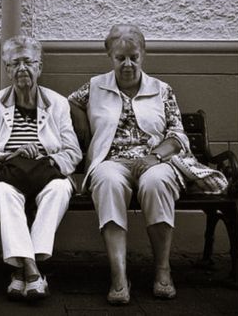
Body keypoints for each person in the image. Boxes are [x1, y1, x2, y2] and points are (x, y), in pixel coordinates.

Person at [68, 24, 188, 304]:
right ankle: (119, 275)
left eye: (134, 56)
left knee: (157, 181)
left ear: (143, 55)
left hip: (153, 160)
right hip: (111, 160)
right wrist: (82, 118)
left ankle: (162, 270)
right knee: (107, 181)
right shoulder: (96, 86)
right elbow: (70, 103)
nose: (128, 64)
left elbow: (178, 134)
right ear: (110, 57)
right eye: (120, 58)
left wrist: (155, 156)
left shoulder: (161, 90)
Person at [0, 35, 81, 301]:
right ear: (7, 69)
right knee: (3, 193)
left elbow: (73, 152)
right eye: (15, 63)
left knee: (59, 189)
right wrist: (13, 154)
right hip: (9, 173)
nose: (22, 69)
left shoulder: (57, 103)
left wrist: (47, 158)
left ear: (39, 67)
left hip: (48, 173)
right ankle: (33, 271)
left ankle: (21, 272)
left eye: (28, 62)